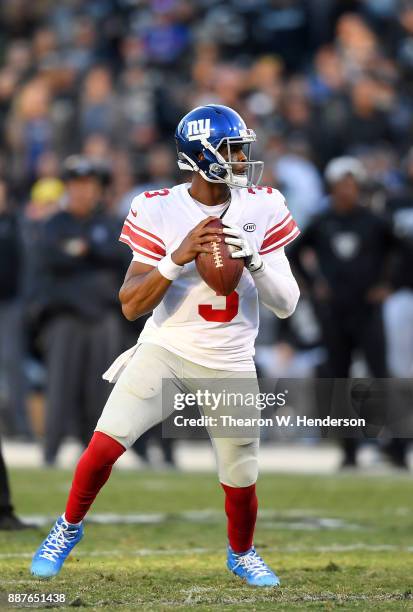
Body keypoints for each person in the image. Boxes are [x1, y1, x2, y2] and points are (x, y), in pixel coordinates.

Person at [30, 105, 300, 587]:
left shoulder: (264, 204)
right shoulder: (156, 206)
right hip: (167, 348)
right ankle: (66, 528)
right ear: (202, 155)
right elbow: (131, 305)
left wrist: (255, 260)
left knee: (240, 472)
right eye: (233, 150)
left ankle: (242, 553)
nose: (243, 158)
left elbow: (287, 304)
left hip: (232, 357)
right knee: (104, 444)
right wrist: (176, 260)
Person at [289, 156, 405, 467]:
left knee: (380, 376)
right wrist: (315, 285)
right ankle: (349, 450)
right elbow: (295, 253)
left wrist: (388, 284)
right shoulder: (322, 221)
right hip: (334, 311)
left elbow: (403, 252)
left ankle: (396, 447)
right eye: (342, 184)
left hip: (367, 310)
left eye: (352, 183)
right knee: (338, 380)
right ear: (332, 187)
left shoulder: (374, 221)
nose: (347, 190)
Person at [32, 155, 129, 464]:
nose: (83, 191)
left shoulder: (110, 223)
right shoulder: (54, 224)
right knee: (60, 386)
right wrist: (91, 254)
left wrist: (85, 251)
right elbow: (51, 259)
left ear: (99, 189)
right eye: (76, 185)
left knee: (99, 391)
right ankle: (51, 452)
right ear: (68, 188)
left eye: (89, 185)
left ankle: (94, 457)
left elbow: (120, 257)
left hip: (103, 316)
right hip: (65, 316)